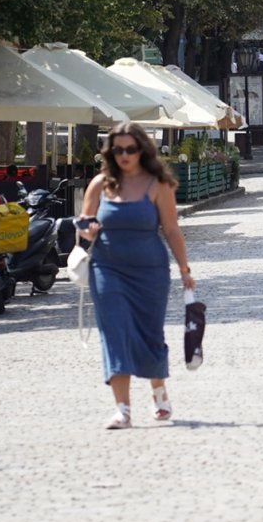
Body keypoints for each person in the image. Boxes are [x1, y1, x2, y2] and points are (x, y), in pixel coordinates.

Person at [77, 122, 194, 430]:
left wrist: (185, 270)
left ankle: (158, 392)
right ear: (110, 152)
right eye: (118, 150)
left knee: (148, 331)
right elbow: (84, 219)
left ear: (142, 149)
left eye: (130, 149)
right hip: (107, 268)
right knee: (115, 332)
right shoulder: (100, 184)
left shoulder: (158, 184)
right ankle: (123, 409)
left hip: (150, 271)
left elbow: (171, 229)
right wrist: (86, 228)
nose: (124, 155)